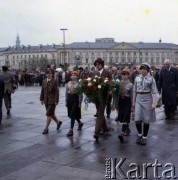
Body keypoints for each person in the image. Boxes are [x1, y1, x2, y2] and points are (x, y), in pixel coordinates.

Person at [132, 63, 158, 145]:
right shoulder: (137, 78)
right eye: (141, 69)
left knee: (146, 119)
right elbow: (134, 90)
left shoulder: (151, 79)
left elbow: (154, 92)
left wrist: (154, 103)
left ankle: (144, 137)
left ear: (148, 70)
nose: (143, 70)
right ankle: (139, 134)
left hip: (147, 98)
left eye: (144, 69)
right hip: (139, 98)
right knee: (137, 118)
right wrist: (133, 102)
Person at [91, 57, 112, 140]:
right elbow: (90, 83)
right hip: (96, 96)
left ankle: (97, 132)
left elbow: (111, 81)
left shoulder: (107, 72)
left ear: (102, 65)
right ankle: (105, 128)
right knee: (100, 112)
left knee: (100, 113)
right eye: (96, 64)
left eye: (99, 64)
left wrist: (109, 89)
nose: (97, 66)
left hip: (104, 96)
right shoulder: (93, 73)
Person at [40, 67, 62, 134]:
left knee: (48, 114)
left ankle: (46, 128)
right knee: (51, 114)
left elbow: (56, 92)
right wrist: (41, 99)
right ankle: (58, 122)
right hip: (46, 100)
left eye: (49, 73)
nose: (48, 75)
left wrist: (56, 100)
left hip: (52, 101)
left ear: (52, 74)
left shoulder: (54, 81)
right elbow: (42, 91)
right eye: (47, 73)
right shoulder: (44, 81)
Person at [65, 71, 83, 136]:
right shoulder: (68, 83)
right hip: (69, 99)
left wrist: (80, 102)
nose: (73, 76)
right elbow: (66, 93)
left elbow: (80, 94)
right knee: (71, 114)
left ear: (77, 76)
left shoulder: (79, 84)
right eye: (72, 75)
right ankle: (80, 123)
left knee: (72, 114)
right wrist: (66, 101)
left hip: (75, 99)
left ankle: (71, 130)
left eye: (74, 75)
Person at [118, 68, 133, 143]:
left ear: (128, 75)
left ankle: (122, 133)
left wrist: (133, 105)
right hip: (121, 101)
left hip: (127, 101)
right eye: (122, 74)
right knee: (123, 116)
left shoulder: (130, 85)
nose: (123, 76)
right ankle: (127, 128)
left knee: (125, 117)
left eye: (125, 74)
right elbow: (117, 93)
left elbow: (132, 96)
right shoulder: (119, 83)